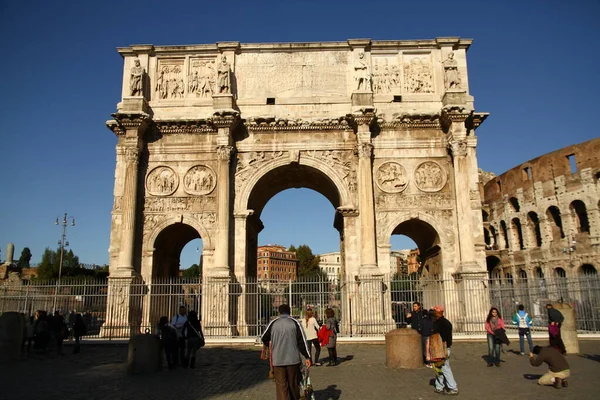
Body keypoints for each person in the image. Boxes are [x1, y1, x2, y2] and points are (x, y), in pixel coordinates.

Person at [261, 304, 312, 400]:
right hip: (293, 360)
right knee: (293, 385)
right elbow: (302, 342)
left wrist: (272, 345)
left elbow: (264, 337)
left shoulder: (273, 323)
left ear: (279, 312)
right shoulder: (295, 322)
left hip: (278, 360)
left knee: (281, 387)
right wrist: (307, 357)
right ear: (289, 312)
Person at [431, 305, 458, 396]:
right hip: (443, 347)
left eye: (435, 311)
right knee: (439, 367)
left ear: (439, 312)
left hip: (443, 348)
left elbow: (441, 336)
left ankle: (453, 387)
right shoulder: (442, 322)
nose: (434, 313)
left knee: (445, 368)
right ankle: (439, 386)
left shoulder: (442, 323)